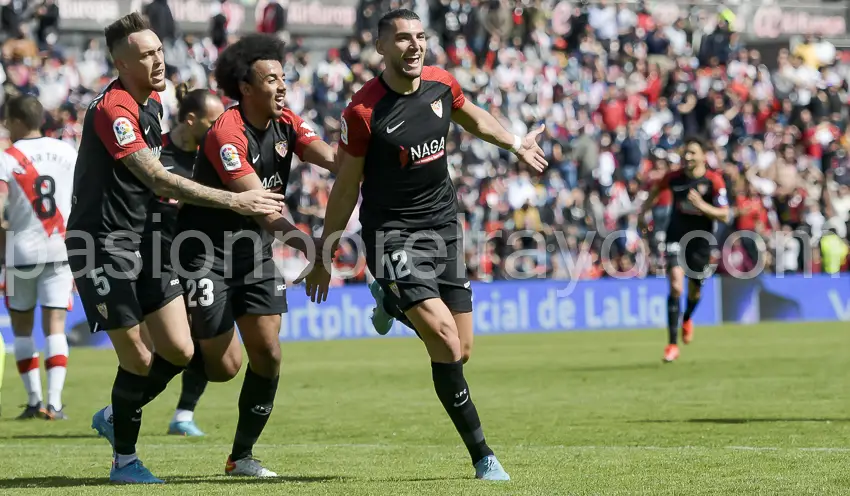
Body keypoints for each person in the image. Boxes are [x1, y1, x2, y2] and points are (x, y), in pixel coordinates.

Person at [301, 9, 547, 481]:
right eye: (401, 38)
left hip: (444, 227)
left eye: (419, 37)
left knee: (461, 350)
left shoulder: (440, 83)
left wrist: (514, 142)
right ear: (380, 47)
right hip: (392, 231)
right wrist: (324, 252)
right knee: (444, 338)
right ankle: (483, 456)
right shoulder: (363, 110)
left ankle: (391, 301)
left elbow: (471, 115)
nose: (413, 45)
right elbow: (346, 185)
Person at [65, 13, 285, 484]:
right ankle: (124, 462)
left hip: (146, 240)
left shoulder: (154, 105)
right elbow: (157, 177)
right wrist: (237, 199)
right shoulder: (114, 109)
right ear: (121, 63)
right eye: (146, 54)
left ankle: (115, 413)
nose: (158, 59)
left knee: (182, 350)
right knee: (139, 359)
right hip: (101, 244)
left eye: (159, 50)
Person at [175, 33, 336, 477]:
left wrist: (369, 152)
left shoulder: (288, 122)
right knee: (225, 367)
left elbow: (335, 160)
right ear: (245, 87)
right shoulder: (227, 133)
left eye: (284, 77)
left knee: (268, 353)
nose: (282, 85)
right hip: (205, 252)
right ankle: (144, 378)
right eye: (271, 78)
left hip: (253, 253)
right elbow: (263, 211)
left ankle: (240, 457)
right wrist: (315, 250)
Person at [137, 84, 225, 437]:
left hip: (197, 258)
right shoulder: (155, 155)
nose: (221, 129)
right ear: (191, 121)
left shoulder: (214, 156)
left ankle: (184, 413)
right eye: (213, 121)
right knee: (161, 349)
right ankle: (124, 407)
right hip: (154, 259)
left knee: (207, 340)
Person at [0, 95, 76, 420]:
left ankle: (34, 401)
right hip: (62, 248)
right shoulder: (67, 151)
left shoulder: (6, 158)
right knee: (55, 326)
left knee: (21, 328)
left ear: (16, 120)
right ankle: (55, 404)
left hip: (20, 251)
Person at [639, 136, 729, 362]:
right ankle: (671, 344)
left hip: (701, 240)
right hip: (675, 235)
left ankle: (687, 317)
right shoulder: (674, 178)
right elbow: (655, 192)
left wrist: (702, 206)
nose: (687, 157)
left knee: (695, 291)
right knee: (676, 286)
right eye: (685, 153)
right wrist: (643, 213)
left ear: (702, 156)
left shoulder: (713, 181)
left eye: (692, 153)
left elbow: (725, 214)